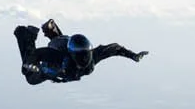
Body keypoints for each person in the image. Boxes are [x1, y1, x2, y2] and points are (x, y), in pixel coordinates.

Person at [14, 17, 147, 84]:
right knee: (31, 78)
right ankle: (25, 34)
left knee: (37, 71)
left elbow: (114, 48)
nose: (83, 58)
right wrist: (29, 66)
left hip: (62, 44)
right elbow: (37, 54)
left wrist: (133, 56)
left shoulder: (93, 56)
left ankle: (50, 29)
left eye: (84, 54)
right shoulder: (58, 58)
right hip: (58, 48)